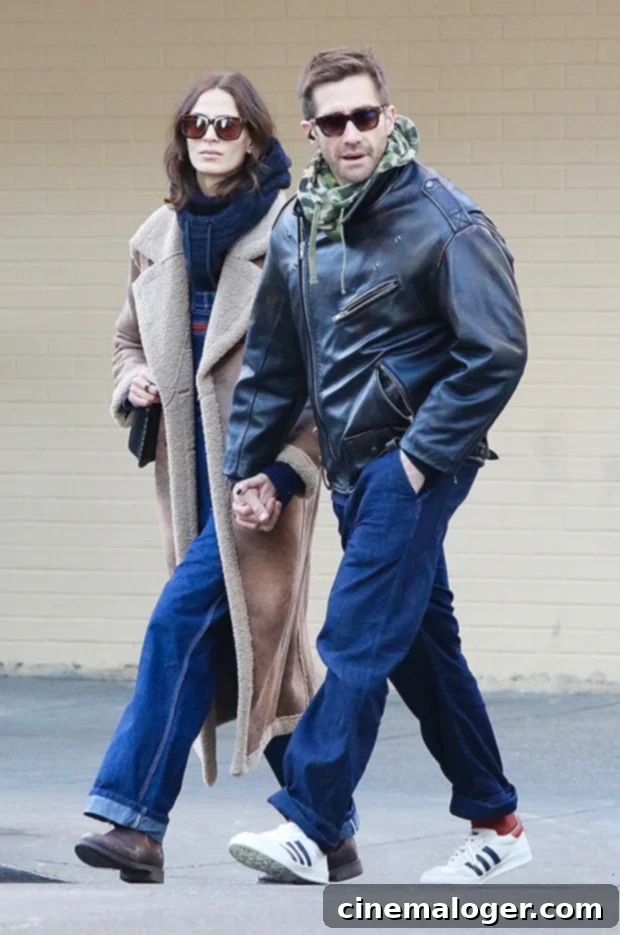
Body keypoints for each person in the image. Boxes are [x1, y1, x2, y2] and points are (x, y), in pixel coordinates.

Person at [223, 47, 532, 886]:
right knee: (422, 648)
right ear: (311, 131)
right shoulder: (298, 226)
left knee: (357, 628)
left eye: (366, 116)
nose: (352, 133)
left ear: (388, 117)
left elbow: (496, 350)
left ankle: (311, 821)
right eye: (334, 121)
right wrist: (250, 465)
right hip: (352, 469)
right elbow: (274, 363)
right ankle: (497, 819)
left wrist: (422, 461)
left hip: (416, 460)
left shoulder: (442, 218)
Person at [74, 71, 362, 885]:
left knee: (181, 625)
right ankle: (329, 829)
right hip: (191, 481)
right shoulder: (155, 237)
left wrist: (288, 470)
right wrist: (131, 382)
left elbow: (331, 376)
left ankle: (135, 821)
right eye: (197, 122)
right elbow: (128, 340)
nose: (210, 136)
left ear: (255, 139)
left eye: (228, 126)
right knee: (253, 653)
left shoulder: (295, 231)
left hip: (261, 486)